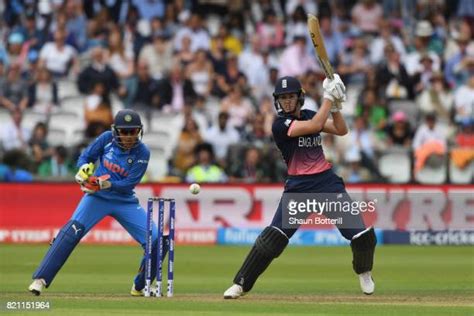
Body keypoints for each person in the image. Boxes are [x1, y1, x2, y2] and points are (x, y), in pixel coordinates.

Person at [223, 74, 377, 299]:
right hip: (298, 189)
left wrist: (335, 106)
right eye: (283, 97)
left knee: (362, 236)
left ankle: (364, 272)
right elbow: (315, 125)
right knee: (272, 240)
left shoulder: (310, 114)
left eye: (291, 97)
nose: (287, 101)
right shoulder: (279, 125)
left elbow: (341, 130)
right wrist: (328, 97)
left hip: (326, 184)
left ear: (299, 98)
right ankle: (240, 284)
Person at [28, 109, 165, 297]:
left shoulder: (143, 152)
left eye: (132, 131)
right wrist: (83, 169)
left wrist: (105, 184)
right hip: (97, 197)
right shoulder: (106, 138)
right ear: (116, 131)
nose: (128, 136)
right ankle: (40, 280)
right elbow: (85, 157)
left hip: (124, 200)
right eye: (124, 132)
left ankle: (140, 285)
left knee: (156, 239)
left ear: (139, 131)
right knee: (71, 232)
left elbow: (128, 184)